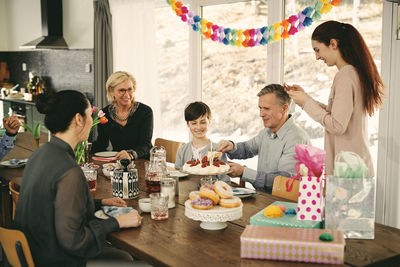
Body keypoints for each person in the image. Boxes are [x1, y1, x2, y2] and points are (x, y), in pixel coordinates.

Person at [13, 90, 142, 266]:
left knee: (123, 257)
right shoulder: (69, 170)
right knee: (135, 261)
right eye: (89, 115)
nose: (91, 121)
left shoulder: (41, 153)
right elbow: (74, 241)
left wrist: (101, 202)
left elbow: (54, 205)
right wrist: (116, 222)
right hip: (55, 259)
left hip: (33, 252)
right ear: (78, 119)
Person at [285, 20, 384, 177]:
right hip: (353, 168)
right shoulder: (352, 73)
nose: (317, 57)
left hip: (348, 172)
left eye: (317, 50)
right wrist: (306, 98)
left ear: (333, 44)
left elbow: (337, 125)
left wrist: (306, 103)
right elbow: (338, 114)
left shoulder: (346, 76)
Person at [217, 84, 310, 193]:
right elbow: (248, 148)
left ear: (284, 108)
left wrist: (244, 172)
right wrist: (231, 146)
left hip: (285, 204)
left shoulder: (297, 139)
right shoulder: (266, 132)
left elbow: (284, 181)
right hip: (265, 198)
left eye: (266, 109)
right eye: (260, 108)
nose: (261, 114)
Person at [92, 71, 153, 160]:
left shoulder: (145, 111)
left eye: (130, 89)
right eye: (122, 90)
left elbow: (146, 144)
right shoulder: (104, 113)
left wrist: (131, 155)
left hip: (142, 161)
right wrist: (81, 147)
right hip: (118, 163)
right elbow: (102, 143)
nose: (127, 94)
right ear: (111, 91)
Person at [175, 101, 230, 182]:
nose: (199, 127)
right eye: (194, 123)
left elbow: (225, 181)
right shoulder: (182, 150)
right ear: (187, 124)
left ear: (209, 121)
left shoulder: (218, 150)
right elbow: (177, 177)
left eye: (203, 122)